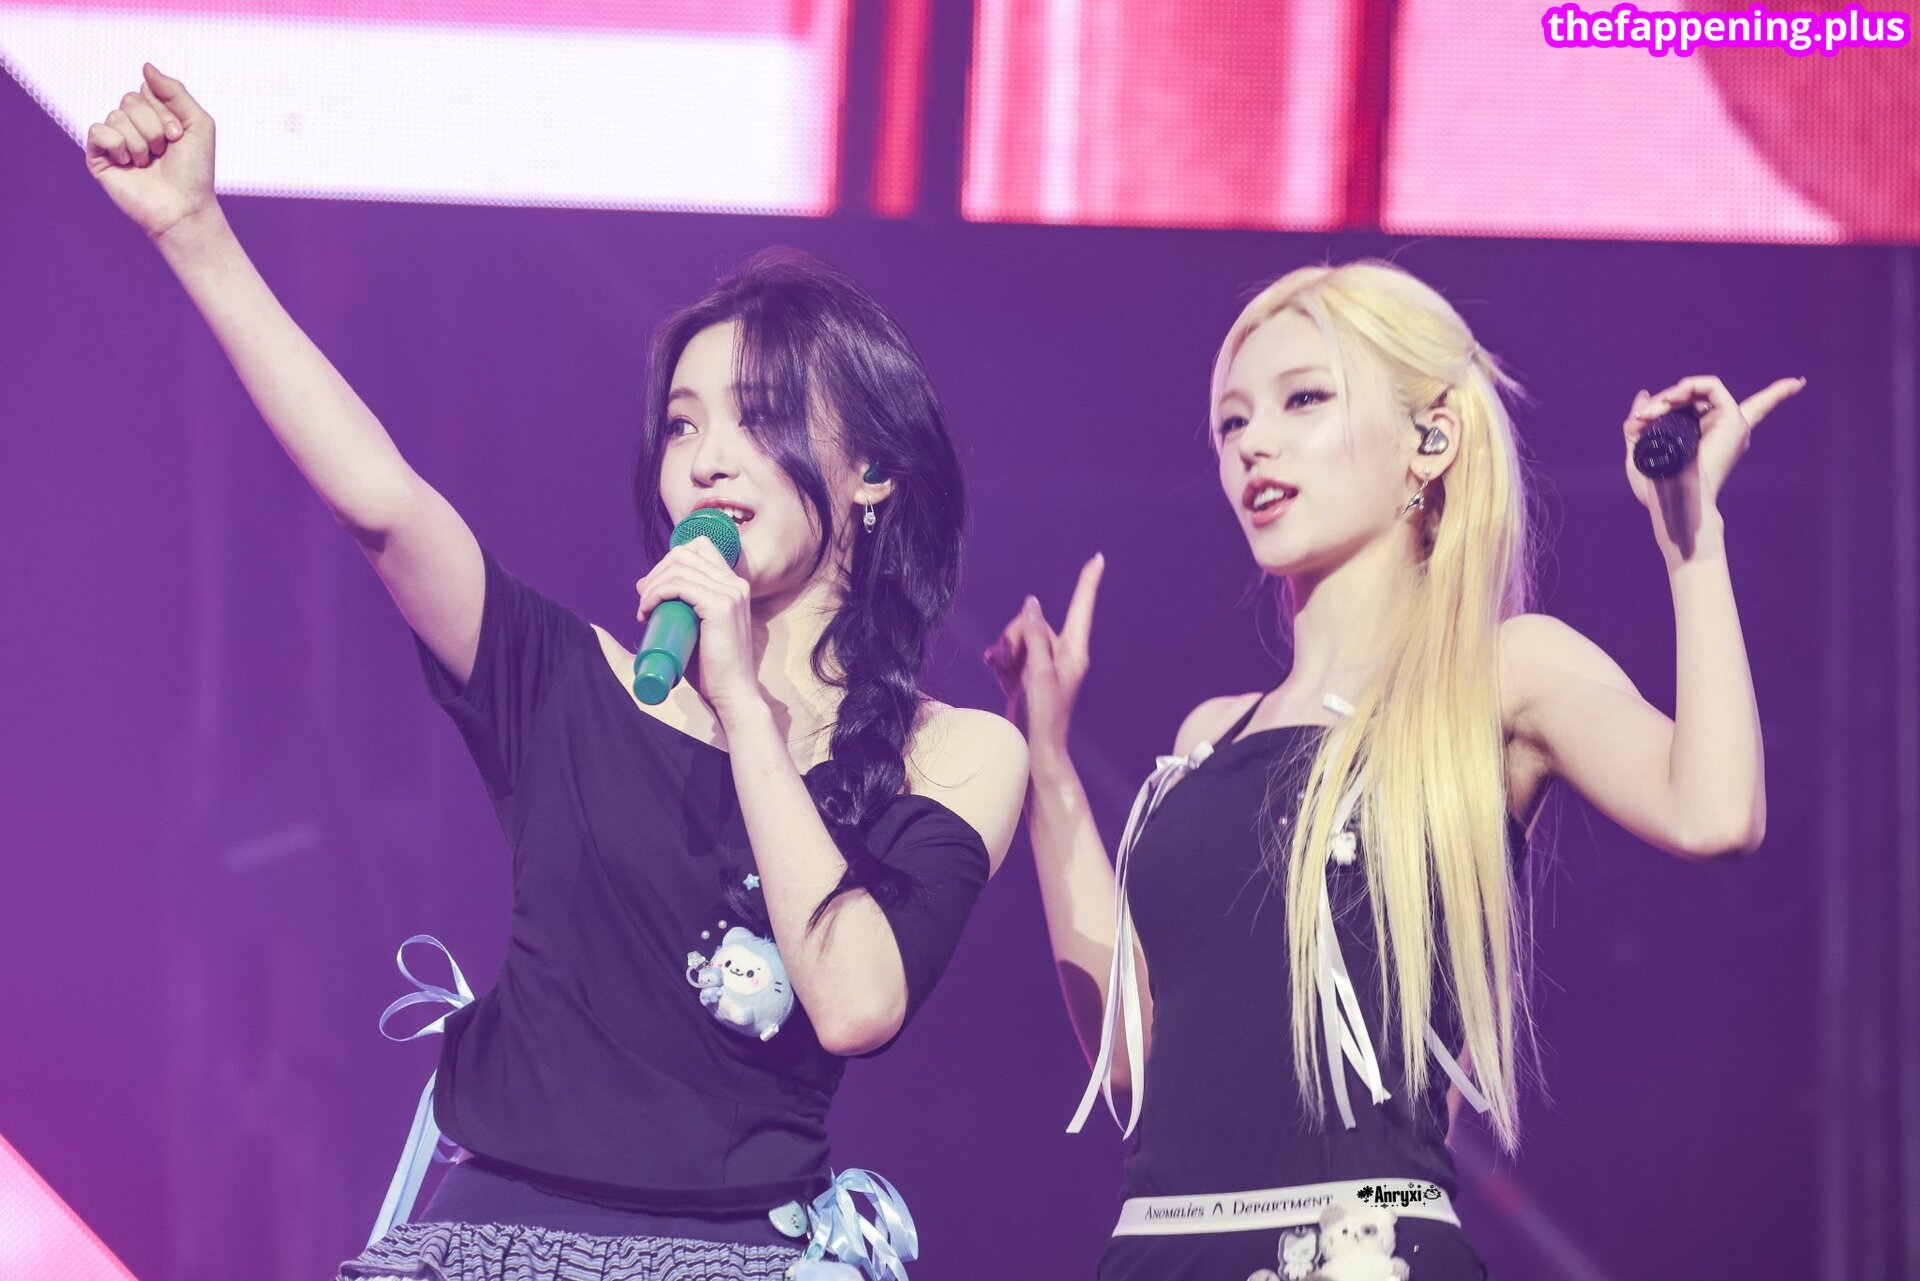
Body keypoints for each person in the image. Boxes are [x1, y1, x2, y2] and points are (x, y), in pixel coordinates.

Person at [84, 64, 1027, 1281]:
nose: (706, 460)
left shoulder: (956, 753)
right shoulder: (572, 682)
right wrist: (195, 232)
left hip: (738, 1255)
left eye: (757, 417)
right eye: (683, 425)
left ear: (874, 471)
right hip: (493, 1238)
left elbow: (854, 1002)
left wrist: (745, 705)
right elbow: (383, 505)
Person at [987, 259, 1797, 1279]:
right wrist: (1047, 762)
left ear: (1431, 441)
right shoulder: (1208, 735)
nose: (1253, 444)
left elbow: (1715, 811)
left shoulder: (1499, 673)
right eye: (1232, 422)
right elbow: (1132, 1064)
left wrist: (1691, 538)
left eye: (1303, 399)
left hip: (1361, 1250)